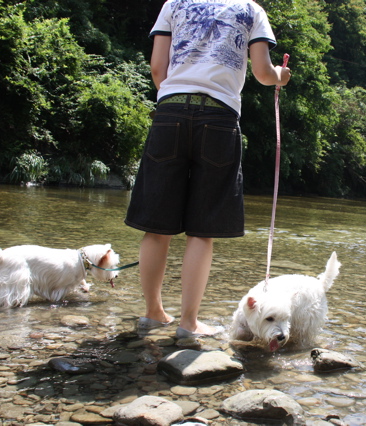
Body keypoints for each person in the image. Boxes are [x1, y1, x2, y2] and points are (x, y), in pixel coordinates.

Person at [124, 0, 291, 338]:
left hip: (170, 111)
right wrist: (281, 77)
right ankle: (188, 323)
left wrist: (178, 102)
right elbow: (262, 72)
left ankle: (154, 313)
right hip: (218, 118)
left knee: (156, 225)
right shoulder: (251, 10)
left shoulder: (174, 4)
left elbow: (158, 69)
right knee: (202, 229)